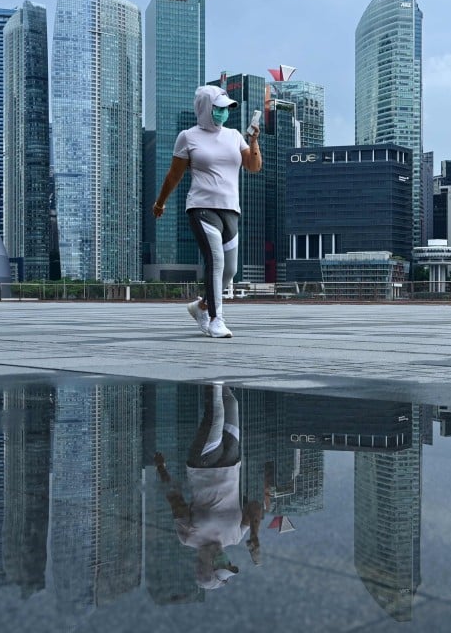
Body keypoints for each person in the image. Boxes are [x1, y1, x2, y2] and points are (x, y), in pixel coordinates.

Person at [152, 85, 261, 338]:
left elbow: (253, 167)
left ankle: (200, 306)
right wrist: (160, 203)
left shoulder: (235, 136)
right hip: (201, 207)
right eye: (219, 109)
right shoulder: (188, 137)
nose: (223, 113)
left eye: (226, 109)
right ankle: (216, 318)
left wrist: (253, 141)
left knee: (230, 270)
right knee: (216, 261)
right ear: (204, 108)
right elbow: (174, 175)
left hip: (231, 209)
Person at [154, 382, 264, 590]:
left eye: (221, 565)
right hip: (231, 461)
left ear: (206, 566)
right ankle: (215, 367)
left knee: (216, 413)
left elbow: (175, 499)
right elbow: (255, 506)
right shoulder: (235, 536)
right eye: (228, 564)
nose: (225, 561)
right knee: (231, 403)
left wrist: (161, 469)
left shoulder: (188, 538)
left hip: (203, 465)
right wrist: (255, 534)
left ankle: (209, 360)